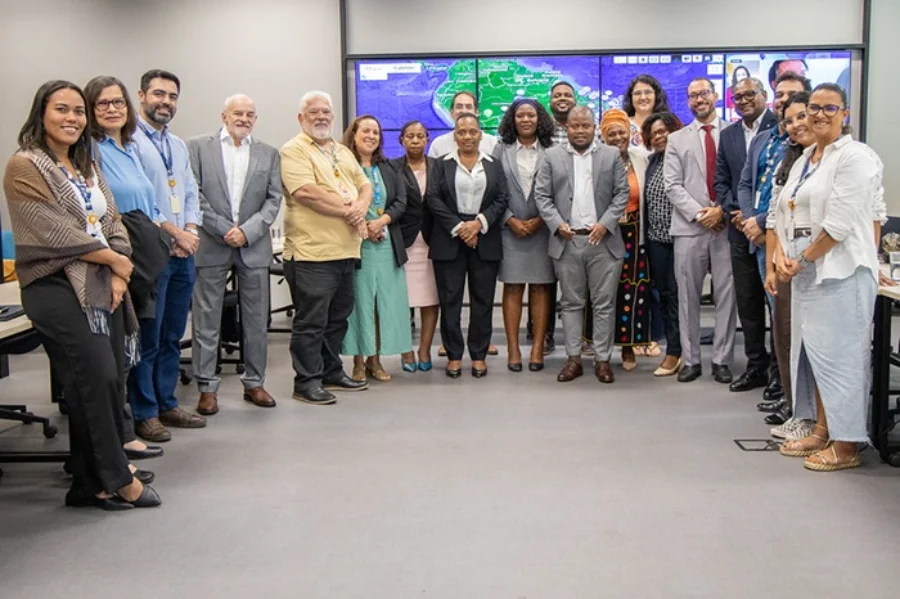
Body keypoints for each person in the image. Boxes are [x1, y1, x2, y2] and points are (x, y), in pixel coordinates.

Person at [4, 80, 160, 509]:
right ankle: (116, 475)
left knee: (99, 382)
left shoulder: (86, 165)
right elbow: (51, 230)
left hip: (100, 282)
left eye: (77, 111)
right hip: (54, 284)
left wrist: (117, 270)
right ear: (42, 114)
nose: (72, 118)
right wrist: (113, 261)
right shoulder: (25, 165)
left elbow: (113, 221)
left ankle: (88, 481)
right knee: (97, 375)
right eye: (62, 110)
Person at [773, 83, 881, 472]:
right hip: (806, 273)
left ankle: (847, 444)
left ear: (845, 113)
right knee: (817, 358)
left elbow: (840, 223)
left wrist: (799, 259)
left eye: (829, 108)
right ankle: (822, 429)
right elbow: (784, 210)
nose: (819, 115)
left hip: (841, 273)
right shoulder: (806, 159)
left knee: (843, 359)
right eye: (813, 108)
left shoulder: (855, 157)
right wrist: (781, 256)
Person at [83, 75, 165, 464]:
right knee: (122, 350)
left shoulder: (129, 146)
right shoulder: (90, 150)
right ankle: (126, 428)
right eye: (102, 104)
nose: (112, 109)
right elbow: (99, 212)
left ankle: (132, 423)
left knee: (142, 340)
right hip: (114, 261)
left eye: (118, 102)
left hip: (142, 257)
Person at [187, 94, 281, 415]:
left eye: (250, 114)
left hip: (253, 245)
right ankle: (207, 387)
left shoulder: (268, 153)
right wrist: (223, 227)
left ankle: (254, 382)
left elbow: (273, 200)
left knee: (256, 320)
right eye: (237, 113)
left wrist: (248, 231)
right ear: (223, 115)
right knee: (207, 318)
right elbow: (193, 193)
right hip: (213, 242)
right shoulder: (199, 147)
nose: (244, 118)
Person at [280, 91, 371, 404]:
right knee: (311, 322)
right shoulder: (293, 150)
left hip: (346, 250)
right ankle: (306, 381)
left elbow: (365, 184)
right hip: (311, 253)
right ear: (301, 118)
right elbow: (307, 192)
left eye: (326, 112)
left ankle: (331, 371)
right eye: (313, 112)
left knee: (337, 319)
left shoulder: (341, 150)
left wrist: (360, 205)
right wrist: (352, 211)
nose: (321, 117)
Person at [130, 69, 207, 441]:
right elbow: (138, 201)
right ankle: (144, 412)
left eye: (173, 96)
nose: (166, 102)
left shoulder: (176, 144)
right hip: (151, 252)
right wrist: (173, 232)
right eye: (159, 94)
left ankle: (166, 401)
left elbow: (190, 190)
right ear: (142, 95)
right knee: (148, 334)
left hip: (183, 252)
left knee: (173, 333)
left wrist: (190, 231)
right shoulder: (127, 143)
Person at [534, 106, 629, 384]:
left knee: (604, 304)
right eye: (574, 126)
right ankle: (573, 358)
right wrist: (556, 223)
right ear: (567, 128)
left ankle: (602, 360)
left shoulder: (611, 155)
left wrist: (606, 223)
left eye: (585, 126)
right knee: (571, 303)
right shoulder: (552, 156)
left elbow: (621, 193)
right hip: (567, 240)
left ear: (594, 127)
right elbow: (542, 195)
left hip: (603, 241)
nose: (579, 130)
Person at [737, 72, 812, 421]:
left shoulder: (807, 147)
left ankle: (796, 399)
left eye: (791, 97)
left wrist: (763, 223)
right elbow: (747, 183)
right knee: (776, 321)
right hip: (762, 240)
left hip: (794, 249)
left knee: (790, 323)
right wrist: (753, 220)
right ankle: (783, 389)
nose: (784, 103)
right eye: (781, 96)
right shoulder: (766, 138)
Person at [664, 77, 736, 384]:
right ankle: (691, 360)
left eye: (704, 93)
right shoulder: (676, 139)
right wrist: (700, 214)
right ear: (688, 102)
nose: (699, 100)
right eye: (692, 96)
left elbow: (738, 178)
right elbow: (672, 185)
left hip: (726, 226)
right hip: (689, 228)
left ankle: (722, 359)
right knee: (688, 298)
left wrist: (721, 210)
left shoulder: (733, 135)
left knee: (726, 297)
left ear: (715, 96)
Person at [427, 113, 509, 378]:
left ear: (480, 135)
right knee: (450, 301)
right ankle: (453, 355)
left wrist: (479, 223)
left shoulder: (494, 164)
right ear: (455, 135)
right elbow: (433, 198)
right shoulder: (441, 165)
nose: (467, 137)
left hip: (484, 237)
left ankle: (478, 355)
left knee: (483, 301)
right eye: (461, 132)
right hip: (449, 238)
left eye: (472, 132)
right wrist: (461, 227)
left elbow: (501, 198)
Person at [714, 77, 777, 394]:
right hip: (740, 229)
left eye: (750, 94)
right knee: (748, 301)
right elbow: (722, 180)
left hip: (774, 231)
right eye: (737, 97)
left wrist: (758, 219)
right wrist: (736, 213)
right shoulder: (728, 136)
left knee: (776, 303)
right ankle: (756, 365)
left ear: (765, 96)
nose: (743, 100)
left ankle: (780, 373)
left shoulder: (781, 127)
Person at [340, 115, 412, 382]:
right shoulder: (344, 167)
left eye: (376, 132)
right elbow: (341, 201)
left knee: (384, 306)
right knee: (361, 306)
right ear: (354, 134)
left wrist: (381, 221)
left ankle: (376, 361)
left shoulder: (389, 167)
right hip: (357, 247)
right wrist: (365, 227)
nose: (371, 136)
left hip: (387, 247)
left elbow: (401, 202)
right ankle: (358, 362)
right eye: (366, 131)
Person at [492, 99, 556, 372]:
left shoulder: (553, 151)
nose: (526, 119)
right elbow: (491, 188)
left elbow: (561, 189)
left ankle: (538, 349)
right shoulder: (500, 149)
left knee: (542, 287)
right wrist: (509, 219)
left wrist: (543, 219)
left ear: (539, 119)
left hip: (543, 229)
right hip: (510, 229)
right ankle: (514, 350)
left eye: (531, 115)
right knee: (513, 287)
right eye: (521, 115)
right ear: (513, 120)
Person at [598, 108, 650, 371]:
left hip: (634, 233)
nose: (617, 137)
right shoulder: (596, 161)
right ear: (603, 137)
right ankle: (600, 348)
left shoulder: (641, 159)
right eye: (611, 133)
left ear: (630, 133)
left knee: (631, 291)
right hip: (604, 235)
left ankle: (628, 347)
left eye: (622, 131)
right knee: (604, 293)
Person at [391, 121, 439, 373]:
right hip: (403, 241)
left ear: (427, 139)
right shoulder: (392, 167)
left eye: (420, 136)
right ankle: (406, 350)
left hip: (433, 242)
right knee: (403, 300)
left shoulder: (438, 166)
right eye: (410, 136)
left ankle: (424, 349)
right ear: (401, 140)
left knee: (430, 300)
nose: (415, 140)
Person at [641, 112, 685, 376]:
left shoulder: (682, 158)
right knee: (666, 295)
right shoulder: (652, 161)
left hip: (681, 237)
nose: (659, 136)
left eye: (663, 131)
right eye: (654, 133)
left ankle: (678, 351)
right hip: (656, 240)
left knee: (679, 297)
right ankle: (675, 349)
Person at [428, 91, 498, 158]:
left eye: (468, 107)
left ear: (476, 112)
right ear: (451, 113)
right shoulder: (438, 144)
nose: (464, 111)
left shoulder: (493, 143)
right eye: (459, 107)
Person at [623, 75, 669, 152]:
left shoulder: (668, 126)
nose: (643, 97)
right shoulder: (623, 126)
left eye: (648, 92)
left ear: (656, 96)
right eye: (637, 93)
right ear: (630, 98)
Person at [549, 81, 577, 146]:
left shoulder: (593, 130)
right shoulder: (539, 128)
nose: (562, 98)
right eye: (557, 96)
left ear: (575, 101)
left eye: (568, 95)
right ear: (550, 102)